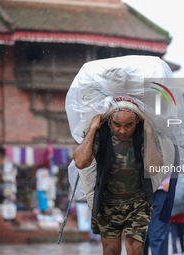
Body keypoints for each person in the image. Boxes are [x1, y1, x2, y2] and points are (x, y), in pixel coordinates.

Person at [73, 97, 163, 255]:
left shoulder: (143, 134)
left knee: (136, 247)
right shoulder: (102, 133)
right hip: (107, 202)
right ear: (109, 122)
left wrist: (149, 131)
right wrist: (93, 128)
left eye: (128, 125)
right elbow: (80, 162)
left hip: (138, 201)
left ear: (137, 121)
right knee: (110, 250)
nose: (123, 130)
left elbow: (153, 168)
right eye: (117, 124)